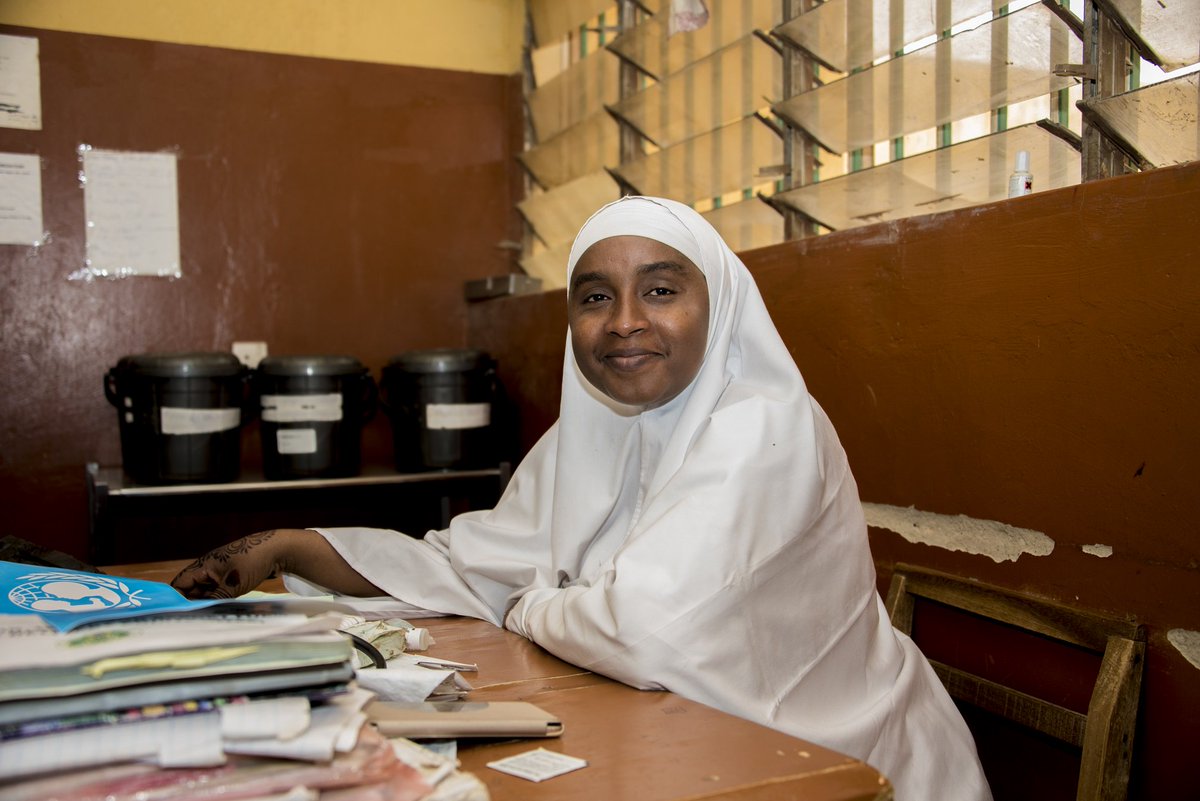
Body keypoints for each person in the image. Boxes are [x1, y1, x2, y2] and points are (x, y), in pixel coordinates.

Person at [173, 196, 992, 800]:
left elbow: (642, 630)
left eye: (661, 290)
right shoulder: (596, 429)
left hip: (833, 763)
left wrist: (530, 607)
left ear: (719, 305)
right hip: (681, 742)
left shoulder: (764, 427)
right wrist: (290, 544)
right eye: (596, 297)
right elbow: (470, 563)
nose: (624, 321)